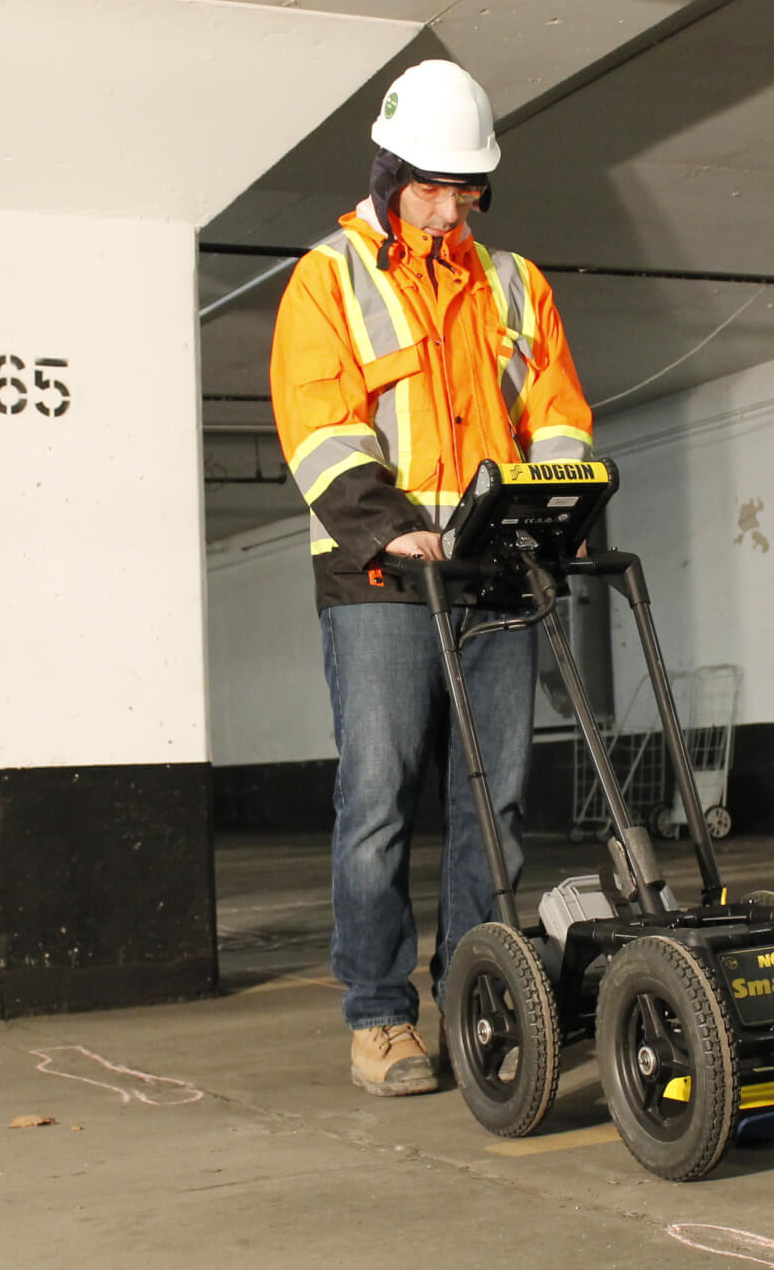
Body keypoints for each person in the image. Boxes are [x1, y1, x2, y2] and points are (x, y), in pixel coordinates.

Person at [270, 59, 595, 1097]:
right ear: (388, 171)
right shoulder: (330, 276)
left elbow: (555, 411)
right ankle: (377, 1020)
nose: (448, 209)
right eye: (430, 188)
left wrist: (557, 513)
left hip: (494, 580)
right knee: (375, 802)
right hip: (380, 581)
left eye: (466, 191)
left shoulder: (513, 284)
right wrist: (390, 528)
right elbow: (318, 425)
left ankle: (477, 1001)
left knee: (494, 806)